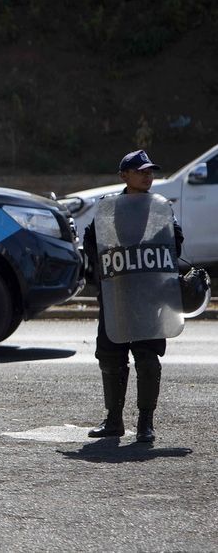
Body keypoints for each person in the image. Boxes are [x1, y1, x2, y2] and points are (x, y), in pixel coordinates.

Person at [82, 150, 184, 443]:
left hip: (149, 295)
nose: (147, 176)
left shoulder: (160, 207)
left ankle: (145, 424)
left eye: (150, 171)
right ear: (124, 176)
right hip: (116, 294)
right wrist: (107, 273)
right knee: (111, 356)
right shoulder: (108, 207)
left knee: (148, 357)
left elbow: (175, 242)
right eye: (141, 171)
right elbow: (92, 242)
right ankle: (114, 421)